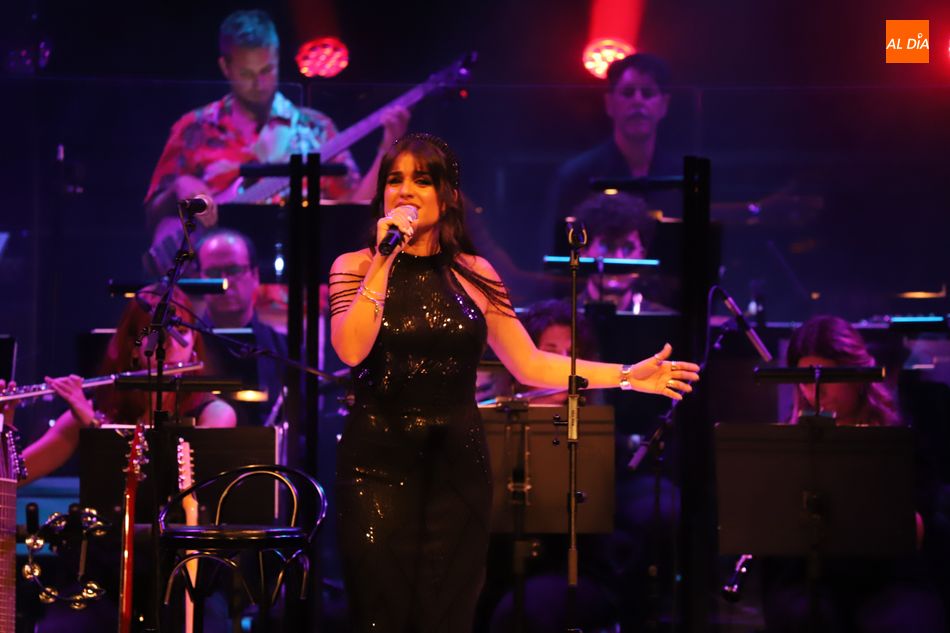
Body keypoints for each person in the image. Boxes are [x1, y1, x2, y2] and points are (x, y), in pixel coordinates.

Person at [327, 132, 700, 631]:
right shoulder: (354, 267)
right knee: (381, 612)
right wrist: (384, 258)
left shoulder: (476, 274)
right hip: (377, 466)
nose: (406, 190)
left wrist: (629, 376)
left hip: (456, 468)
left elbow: (530, 364)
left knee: (448, 613)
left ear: (449, 195)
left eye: (423, 179)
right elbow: (351, 347)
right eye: (395, 180)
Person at [144, 10, 409, 254]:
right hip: (218, 293)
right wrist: (177, 188)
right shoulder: (194, 128)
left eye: (267, 70)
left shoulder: (316, 129)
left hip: (301, 291)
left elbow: (353, 211)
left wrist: (386, 149)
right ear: (225, 67)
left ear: (278, 58)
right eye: (247, 73)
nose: (259, 83)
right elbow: (151, 217)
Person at [760, 315, 945, 633]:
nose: (812, 391)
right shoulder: (790, 444)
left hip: (888, 578)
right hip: (811, 577)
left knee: (898, 622)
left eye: (827, 377)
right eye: (804, 378)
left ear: (859, 375)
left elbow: (921, 529)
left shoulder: (900, 438)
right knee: (804, 616)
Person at [11, 286, 235, 485]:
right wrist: (6, 425)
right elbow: (13, 477)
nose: (170, 344)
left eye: (182, 332)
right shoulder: (96, 410)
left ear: (194, 341)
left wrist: (95, 426)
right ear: (134, 346)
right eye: (156, 333)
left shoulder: (215, 414)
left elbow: (168, 482)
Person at [548, 53, 679, 256]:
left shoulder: (681, 178)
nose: (637, 101)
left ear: (664, 105)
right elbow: (558, 254)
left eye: (647, 93)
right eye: (627, 93)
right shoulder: (577, 175)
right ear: (609, 103)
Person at [196, 228, 287, 425]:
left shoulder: (285, 350)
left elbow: (301, 432)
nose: (225, 282)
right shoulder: (185, 349)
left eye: (234, 270)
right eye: (213, 273)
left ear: (255, 275)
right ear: (199, 278)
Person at [571, 191, 673, 313]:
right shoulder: (561, 320)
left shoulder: (664, 323)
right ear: (583, 251)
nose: (619, 258)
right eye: (607, 247)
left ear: (642, 255)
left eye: (628, 248)